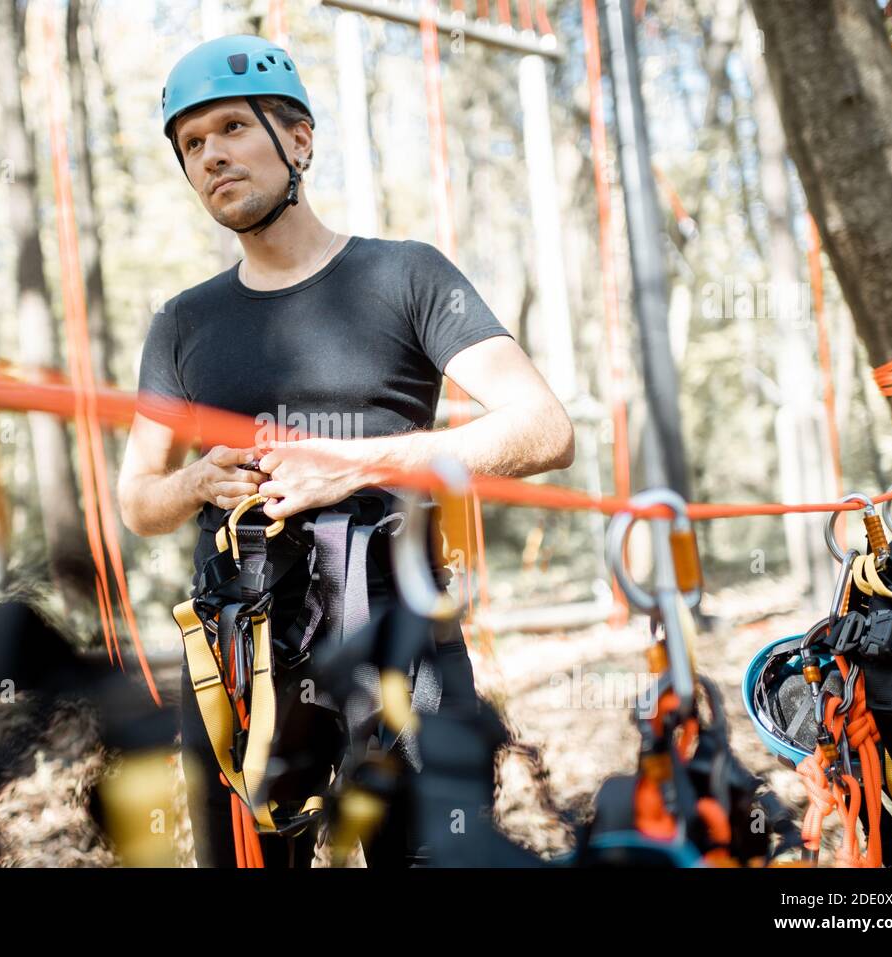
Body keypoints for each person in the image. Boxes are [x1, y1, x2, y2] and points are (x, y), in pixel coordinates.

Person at [117, 34, 574, 867]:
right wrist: (193, 480)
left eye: (231, 128)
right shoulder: (181, 324)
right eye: (191, 144)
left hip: (401, 636)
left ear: (300, 140)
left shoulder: (406, 277)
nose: (211, 154)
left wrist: (357, 464)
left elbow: (543, 429)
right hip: (241, 646)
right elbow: (139, 500)